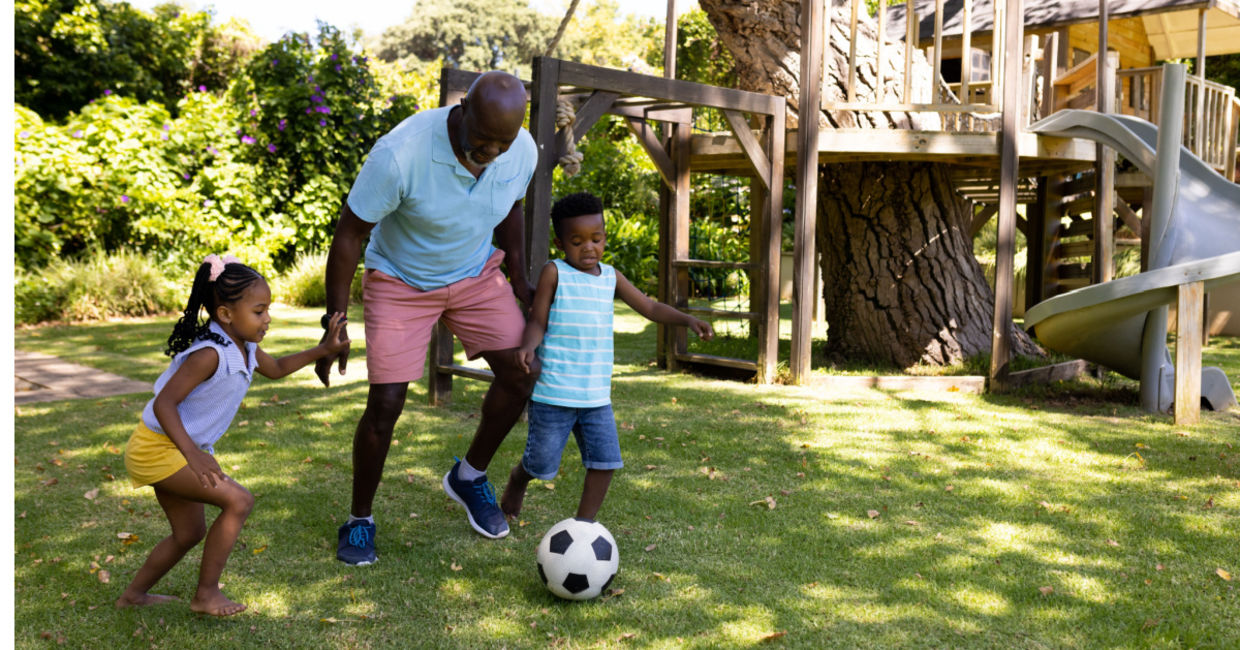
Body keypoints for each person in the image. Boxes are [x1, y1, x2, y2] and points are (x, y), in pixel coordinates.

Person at [317, 70, 540, 566]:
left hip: (474, 274)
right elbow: (349, 235)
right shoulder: (401, 154)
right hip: (401, 280)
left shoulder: (519, 148)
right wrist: (335, 320)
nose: (492, 154)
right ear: (462, 110)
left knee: (521, 372)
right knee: (386, 404)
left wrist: (520, 278)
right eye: (482, 141)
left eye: (502, 144)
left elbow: (511, 204)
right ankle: (359, 520)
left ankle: (469, 477)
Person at [116, 255, 349, 616]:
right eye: (259, 311)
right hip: (158, 448)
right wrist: (193, 454)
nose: (267, 319)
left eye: (267, 310)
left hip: (175, 447)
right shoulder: (210, 354)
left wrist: (323, 350)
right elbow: (165, 404)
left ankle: (133, 595)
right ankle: (206, 595)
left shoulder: (246, 346)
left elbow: (276, 369)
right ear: (225, 314)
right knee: (239, 501)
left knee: (188, 533)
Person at [499, 192, 714, 521]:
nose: (589, 248)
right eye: (577, 241)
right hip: (554, 392)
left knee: (605, 461)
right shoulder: (554, 273)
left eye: (596, 239)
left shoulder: (611, 277)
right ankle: (519, 478)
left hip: (596, 396)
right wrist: (528, 347)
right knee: (542, 464)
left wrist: (688, 319)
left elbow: (651, 307)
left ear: (604, 238)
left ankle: (584, 526)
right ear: (560, 243)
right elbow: (538, 320)